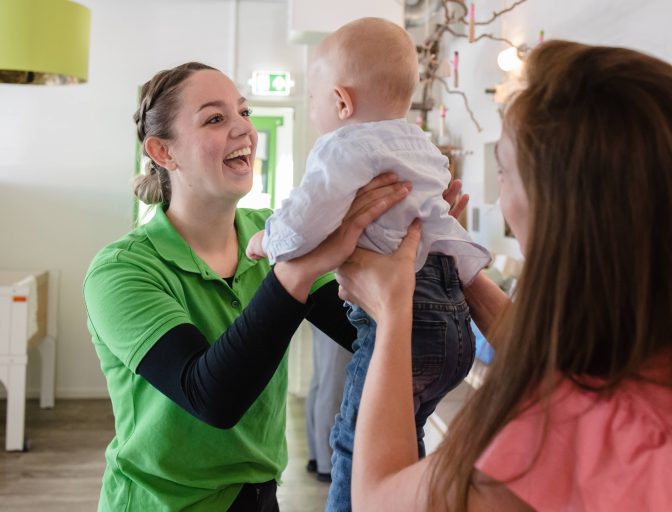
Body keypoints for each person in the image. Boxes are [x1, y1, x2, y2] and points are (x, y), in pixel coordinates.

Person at [336, 40, 672, 511]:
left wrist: (392, 309)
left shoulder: (558, 442)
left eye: (503, 174)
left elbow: (379, 500)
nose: (502, 202)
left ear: (558, 211)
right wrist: (456, 261)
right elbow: (571, 356)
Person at [82, 61, 415, 511]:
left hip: (260, 497)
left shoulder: (274, 235)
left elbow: (364, 331)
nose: (244, 129)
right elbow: (211, 397)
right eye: (216, 118)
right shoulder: (122, 271)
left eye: (244, 112)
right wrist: (295, 273)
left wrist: (412, 237)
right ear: (163, 152)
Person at [245, 17, 490, 512]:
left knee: (356, 446)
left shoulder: (342, 147)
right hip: (455, 327)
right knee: (403, 436)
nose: (314, 110)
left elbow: (306, 218)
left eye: (313, 99)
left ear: (340, 101)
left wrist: (265, 240)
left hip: (403, 326)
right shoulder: (422, 146)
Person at [304, 324, 351, 483]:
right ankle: (327, 462)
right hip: (338, 303)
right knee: (331, 381)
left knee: (322, 379)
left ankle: (317, 457)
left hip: (322, 302)